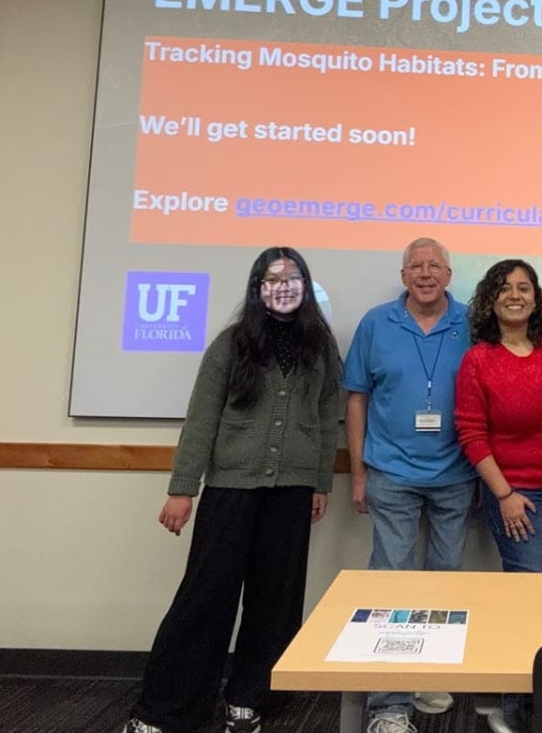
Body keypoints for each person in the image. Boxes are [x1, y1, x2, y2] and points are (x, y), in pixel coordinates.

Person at [124, 247, 342, 733]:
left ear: (304, 287)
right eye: (272, 278)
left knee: (275, 601)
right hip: (231, 488)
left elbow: (328, 417)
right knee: (205, 597)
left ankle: (249, 698)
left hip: (293, 490)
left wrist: (320, 482)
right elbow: (202, 418)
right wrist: (183, 488)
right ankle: (166, 710)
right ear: (258, 288)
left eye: (292, 278)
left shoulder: (321, 348)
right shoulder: (231, 344)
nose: (282, 286)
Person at [343, 237, 476, 733]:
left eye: (434, 266)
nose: (425, 274)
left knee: (445, 583)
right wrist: (359, 473)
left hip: (456, 475)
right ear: (403, 276)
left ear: (448, 275)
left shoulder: (472, 323)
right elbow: (356, 398)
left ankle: (428, 677)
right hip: (391, 473)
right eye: (415, 266)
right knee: (392, 585)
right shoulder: (376, 323)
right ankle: (388, 703)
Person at [455, 259, 542, 733]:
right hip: (516, 493)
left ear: (536, 295)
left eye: (524, 287)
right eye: (504, 288)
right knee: (528, 598)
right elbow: (471, 434)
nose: (515, 295)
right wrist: (504, 494)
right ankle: (517, 705)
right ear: (490, 301)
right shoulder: (479, 360)